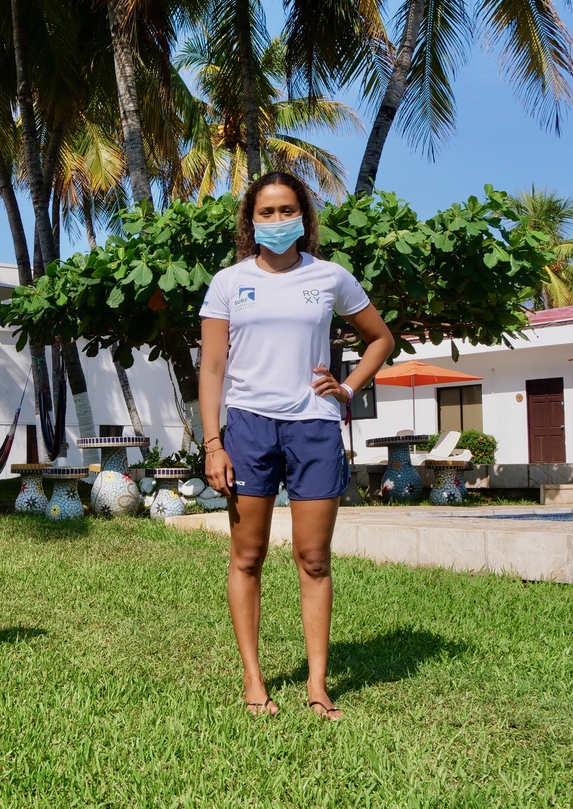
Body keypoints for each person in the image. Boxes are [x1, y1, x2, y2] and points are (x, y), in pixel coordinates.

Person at [198, 172, 394, 720]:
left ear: (304, 218)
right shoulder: (228, 283)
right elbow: (213, 367)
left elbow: (381, 338)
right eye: (267, 212)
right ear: (250, 220)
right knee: (248, 555)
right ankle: (254, 679)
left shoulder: (330, 277)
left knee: (313, 559)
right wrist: (213, 442)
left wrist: (348, 387)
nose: (278, 221)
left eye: (288, 211)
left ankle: (316, 684)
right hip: (249, 428)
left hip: (313, 426)